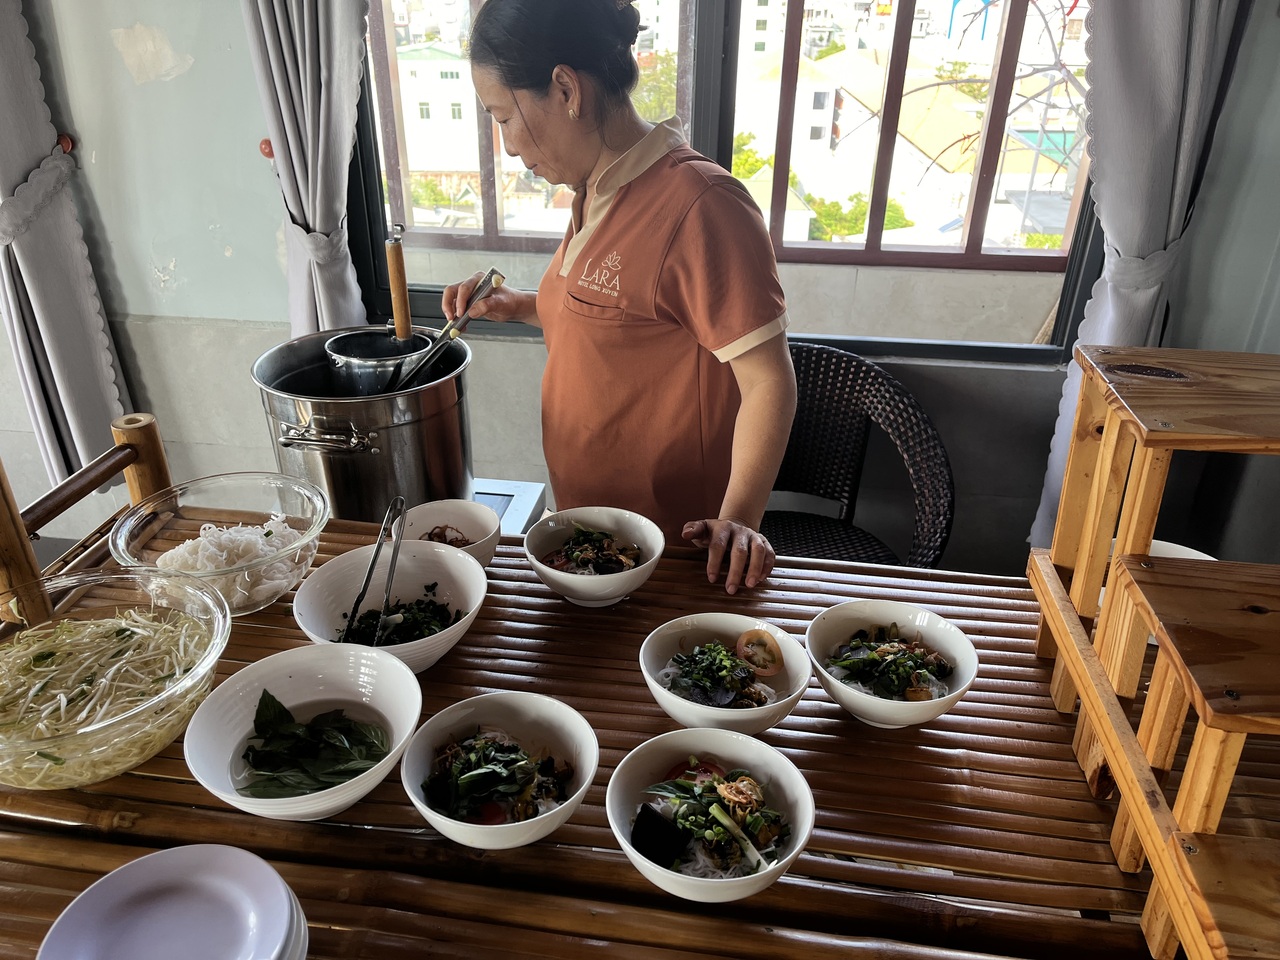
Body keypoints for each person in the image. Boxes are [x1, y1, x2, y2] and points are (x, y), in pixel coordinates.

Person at [443, 0, 796, 594]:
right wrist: (519, 305)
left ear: (566, 89)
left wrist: (738, 521)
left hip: (669, 551)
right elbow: (612, 318)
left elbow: (769, 381)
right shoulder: (595, 191)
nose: (507, 146)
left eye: (503, 117)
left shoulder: (703, 207)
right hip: (593, 539)